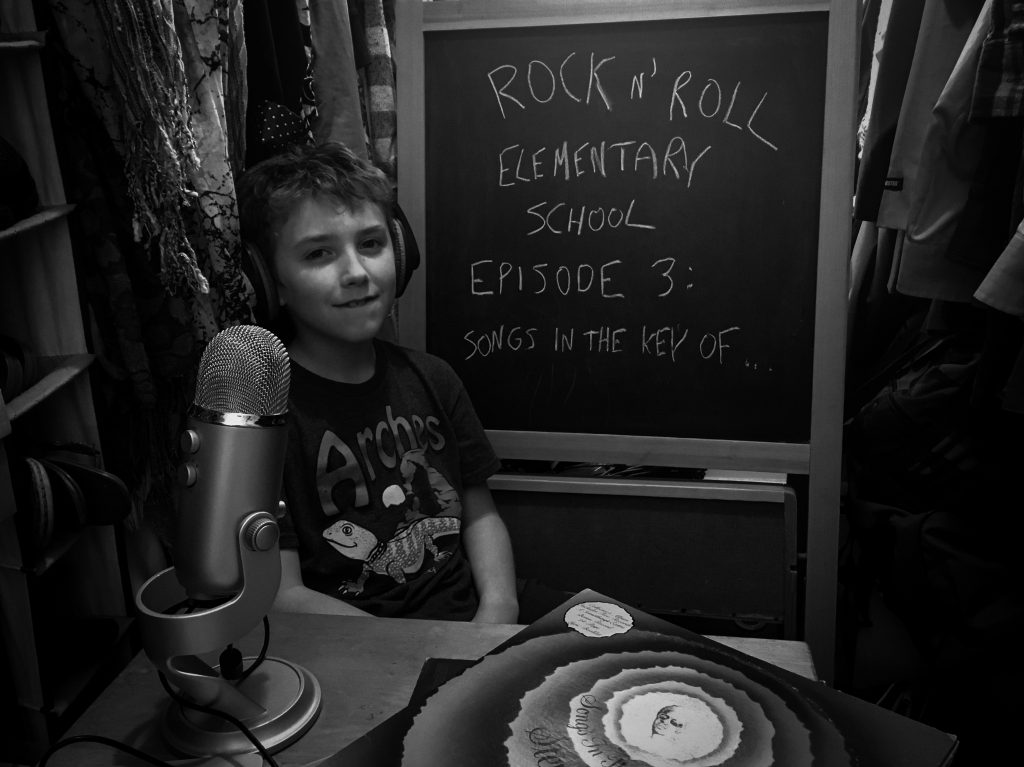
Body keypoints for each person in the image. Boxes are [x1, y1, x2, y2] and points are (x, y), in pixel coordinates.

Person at [236, 141, 519, 623]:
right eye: (319, 253)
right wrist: (410, 655)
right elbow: (283, 593)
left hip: (470, 625)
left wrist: (497, 612)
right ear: (270, 280)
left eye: (370, 244)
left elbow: (480, 516)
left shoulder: (434, 378)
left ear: (400, 252)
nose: (356, 272)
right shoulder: (264, 414)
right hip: (356, 651)